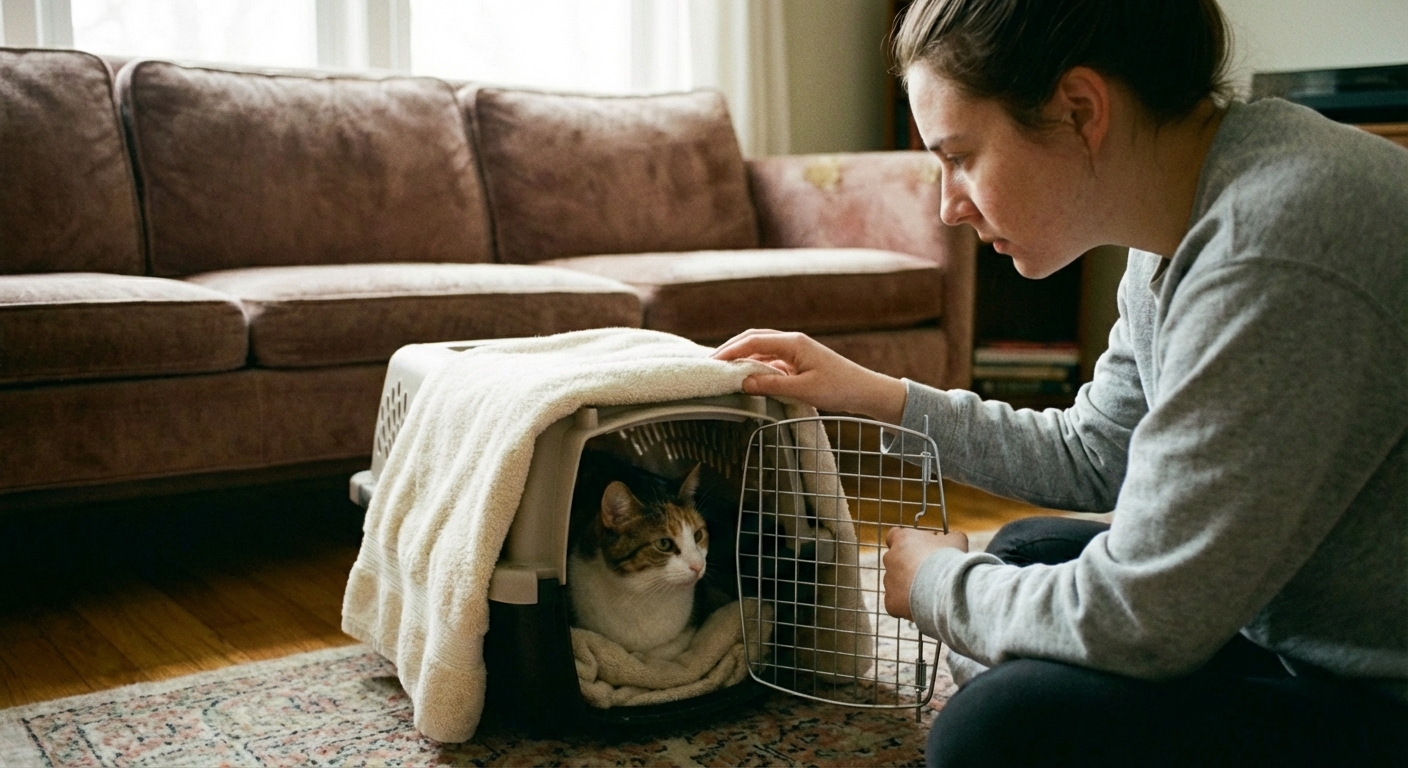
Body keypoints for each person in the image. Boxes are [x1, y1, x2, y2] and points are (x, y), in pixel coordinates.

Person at [712, 0, 1408, 765]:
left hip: (1377, 688)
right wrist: (874, 393)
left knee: (997, 729)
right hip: (1290, 630)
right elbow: (1095, 451)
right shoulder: (1180, 228)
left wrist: (938, 585)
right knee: (1025, 550)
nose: (948, 207)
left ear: (1079, 110)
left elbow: (1142, 617)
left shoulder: (1271, 252)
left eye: (961, 156)